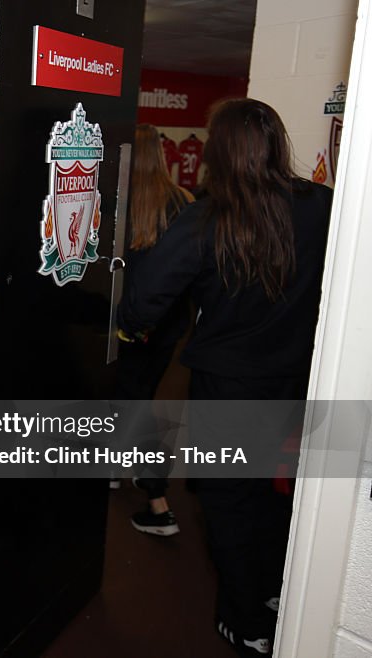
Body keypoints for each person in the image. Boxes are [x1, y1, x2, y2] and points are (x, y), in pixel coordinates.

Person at [118, 99, 333, 656]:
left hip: (230, 390)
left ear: (218, 151)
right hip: (298, 384)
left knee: (229, 502)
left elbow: (143, 300)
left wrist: (132, 327)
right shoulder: (322, 206)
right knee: (273, 494)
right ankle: (271, 596)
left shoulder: (209, 216)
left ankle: (245, 619)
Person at [116, 124, 195, 537]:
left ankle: (158, 499)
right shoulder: (184, 202)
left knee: (135, 403)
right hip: (166, 327)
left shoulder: (119, 203)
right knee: (138, 397)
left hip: (126, 325)